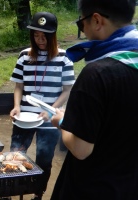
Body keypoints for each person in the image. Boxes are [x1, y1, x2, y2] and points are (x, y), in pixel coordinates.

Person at [50, 0, 138, 199]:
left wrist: (62, 122)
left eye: (81, 24)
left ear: (96, 20)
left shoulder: (96, 74)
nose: (83, 30)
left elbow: (81, 149)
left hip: (92, 188)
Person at [8, 12, 75, 200]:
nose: (40, 40)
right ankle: (10, 191)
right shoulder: (24, 56)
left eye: (44, 36)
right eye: (36, 36)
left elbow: (68, 90)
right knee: (15, 155)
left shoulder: (64, 58)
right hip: (24, 118)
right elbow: (18, 86)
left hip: (49, 119)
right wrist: (16, 106)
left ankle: (38, 194)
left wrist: (49, 109)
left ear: (53, 35)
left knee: (44, 159)